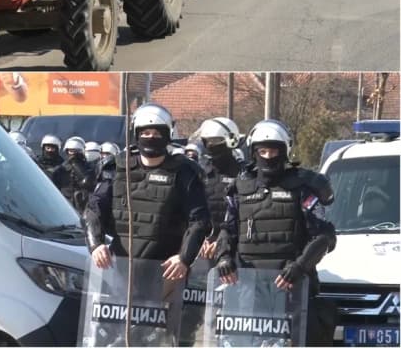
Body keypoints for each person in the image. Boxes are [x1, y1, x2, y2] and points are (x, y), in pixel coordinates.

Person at [215, 119, 337, 346]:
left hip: (292, 287)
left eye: (274, 150)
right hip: (249, 291)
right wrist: (223, 256)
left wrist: (300, 266)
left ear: (285, 151)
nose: (268, 156)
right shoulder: (239, 189)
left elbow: (325, 236)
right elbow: (228, 229)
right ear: (253, 151)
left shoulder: (301, 188)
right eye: (263, 151)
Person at [84, 103, 210, 282]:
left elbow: (199, 220)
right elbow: (93, 209)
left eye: (157, 133)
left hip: (166, 271)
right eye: (146, 133)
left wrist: (184, 257)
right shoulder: (117, 169)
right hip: (117, 269)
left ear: (168, 135)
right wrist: (96, 245)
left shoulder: (184, 173)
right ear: (136, 134)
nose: (151, 138)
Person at [193, 117, 244, 260]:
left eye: (215, 141)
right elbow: (191, 212)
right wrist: (196, 238)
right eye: (207, 141)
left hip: (233, 250)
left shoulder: (244, 174)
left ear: (231, 140)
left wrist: (223, 241)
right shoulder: (198, 171)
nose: (210, 145)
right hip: (200, 250)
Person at [63, 136, 94, 212]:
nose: (73, 154)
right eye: (70, 151)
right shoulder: (61, 169)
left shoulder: (89, 168)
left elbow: (88, 183)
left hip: (83, 205)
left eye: (75, 151)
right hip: (65, 204)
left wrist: (76, 166)